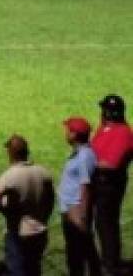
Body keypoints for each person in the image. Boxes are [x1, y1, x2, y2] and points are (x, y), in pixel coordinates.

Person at [0, 134, 54, 276]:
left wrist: (5, 211)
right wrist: (45, 216)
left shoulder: (10, 175)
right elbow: (51, 199)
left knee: (16, 269)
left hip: (19, 231)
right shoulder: (43, 172)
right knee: (34, 268)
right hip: (40, 230)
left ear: (10, 153)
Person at [92, 94, 133, 276]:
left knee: (106, 224)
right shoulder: (106, 128)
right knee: (102, 223)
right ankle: (107, 260)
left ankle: (111, 264)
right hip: (99, 183)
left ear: (109, 112)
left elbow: (112, 164)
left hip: (109, 186)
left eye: (104, 110)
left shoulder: (124, 133)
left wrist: (88, 163)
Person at [60, 116, 101, 276]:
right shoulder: (80, 153)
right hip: (72, 211)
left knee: (79, 255)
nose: (65, 133)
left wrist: (82, 217)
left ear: (74, 135)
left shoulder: (84, 156)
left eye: (68, 130)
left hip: (76, 213)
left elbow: (86, 186)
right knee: (77, 254)